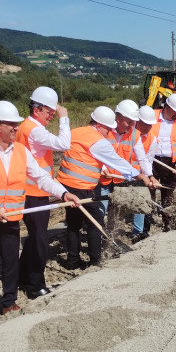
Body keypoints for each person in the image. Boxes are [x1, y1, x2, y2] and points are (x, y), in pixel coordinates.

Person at [0, 102, 79, 319]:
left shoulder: (21, 151)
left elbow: (41, 177)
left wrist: (63, 193)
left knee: (11, 259)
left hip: (10, 216)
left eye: (16, 124)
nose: (16, 128)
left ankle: (8, 302)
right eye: (11, 125)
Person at [58, 106, 140, 268]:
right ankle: (96, 259)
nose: (109, 133)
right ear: (99, 125)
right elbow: (116, 161)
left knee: (73, 224)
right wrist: (138, 174)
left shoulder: (76, 132)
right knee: (95, 221)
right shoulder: (97, 140)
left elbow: (82, 156)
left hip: (65, 185)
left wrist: (100, 168)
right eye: (108, 129)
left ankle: (72, 260)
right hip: (81, 187)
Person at [15, 86, 71, 299]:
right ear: (37, 109)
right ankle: (35, 285)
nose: (52, 116)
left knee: (33, 238)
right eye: (50, 112)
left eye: (54, 113)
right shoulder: (34, 130)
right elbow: (64, 144)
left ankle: (22, 276)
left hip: (32, 189)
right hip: (34, 191)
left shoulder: (25, 127)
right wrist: (64, 118)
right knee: (40, 239)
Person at [95, 99, 154, 229]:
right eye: (129, 121)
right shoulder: (106, 129)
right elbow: (96, 151)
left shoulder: (134, 134)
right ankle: (98, 237)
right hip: (103, 179)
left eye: (133, 122)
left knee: (121, 209)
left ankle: (120, 235)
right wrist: (103, 167)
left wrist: (150, 175)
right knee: (101, 210)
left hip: (121, 179)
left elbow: (142, 159)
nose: (132, 125)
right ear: (118, 118)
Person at [151, 93, 176, 230]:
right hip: (152, 160)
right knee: (149, 191)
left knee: (169, 194)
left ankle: (168, 223)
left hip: (171, 162)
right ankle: (144, 227)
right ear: (166, 107)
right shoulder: (153, 116)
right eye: (175, 111)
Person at [130, 106, 159, 242]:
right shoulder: (129, 133)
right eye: (146, 124)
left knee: (140, 202)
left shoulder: (152, 138)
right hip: (121, 174)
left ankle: (137, 232)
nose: (148, 127)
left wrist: (149, 176)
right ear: (138, 121)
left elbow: (147, 160)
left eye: (150, 125)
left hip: (139, 174)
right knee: (117, 203)